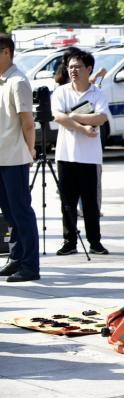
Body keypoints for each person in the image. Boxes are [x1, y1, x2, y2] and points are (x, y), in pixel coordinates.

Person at [51, 50, 110, 256]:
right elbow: (58, 117)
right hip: (65, 155)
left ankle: (95, 242)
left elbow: (101, 117)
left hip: (89, 157)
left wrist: (72, 115)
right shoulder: (61, 92)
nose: (73, 70)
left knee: (90, 202)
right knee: (67, 203)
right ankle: (69, 242)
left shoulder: (97, 93)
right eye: (70, 67)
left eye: (77, 67)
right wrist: (83, 128)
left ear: (89, 69)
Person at [0, 36, 40, 282]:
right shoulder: (2, 81)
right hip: (2, 157)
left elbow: (28, 122)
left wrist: (30, 151)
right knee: (9, 213)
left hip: (14, 158)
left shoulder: (18, 81)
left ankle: (30, 265)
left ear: (6, 52)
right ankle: (16, 257)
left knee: (21, 212)